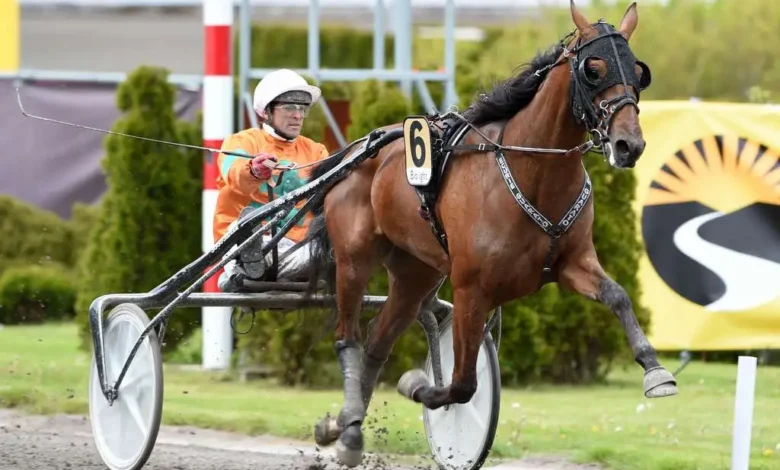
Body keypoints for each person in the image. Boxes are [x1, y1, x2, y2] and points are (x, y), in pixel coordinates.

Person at [212, 69, 329, 292]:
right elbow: (235, 174)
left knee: (329, 244)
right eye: (289, 107)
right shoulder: (241, 142)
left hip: (298, 249)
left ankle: (259, 268)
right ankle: (247, 261)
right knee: (248, 230)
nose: (298, 115)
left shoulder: (316, 151)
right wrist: (254, 171)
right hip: (249, 240)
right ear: (266, 112)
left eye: (302, 108)